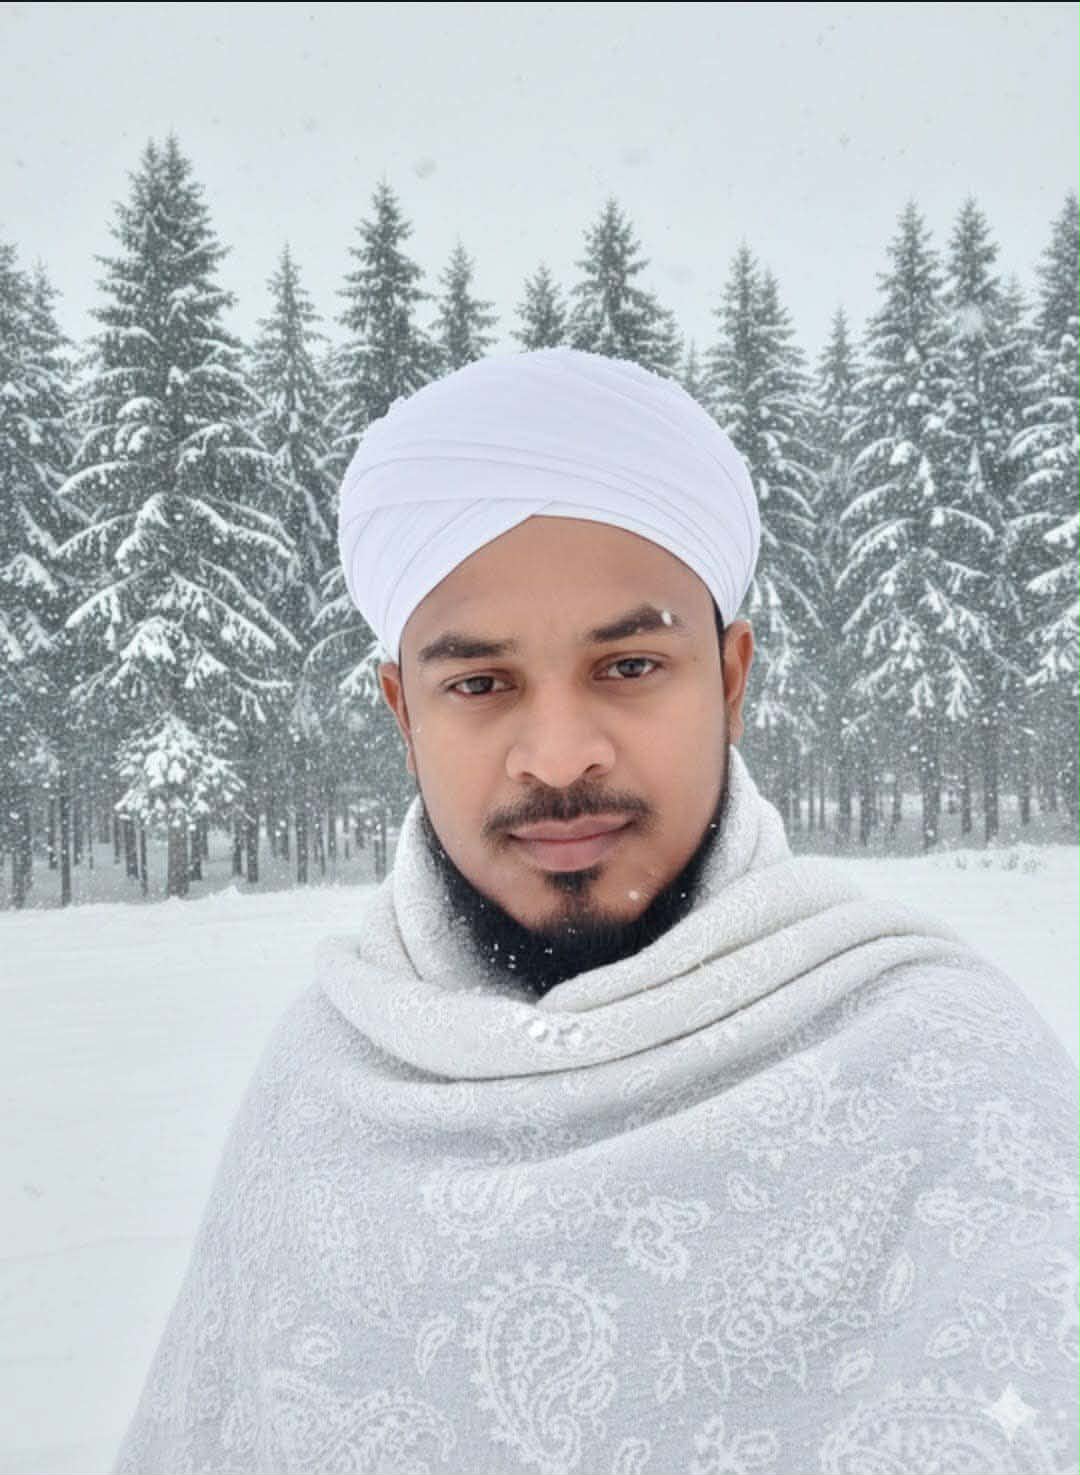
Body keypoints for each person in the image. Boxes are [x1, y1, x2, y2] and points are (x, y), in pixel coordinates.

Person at [114, 349, 1080, 1475]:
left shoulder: (943, 1070)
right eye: (480, 683)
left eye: (627, 665)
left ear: (731, 678)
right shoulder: (326, 1091)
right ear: (402, 710)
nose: (560, 753)